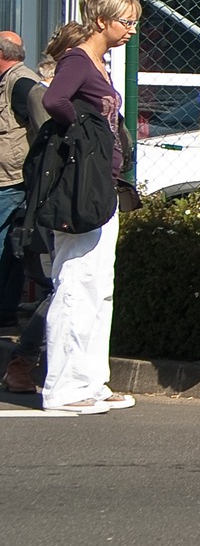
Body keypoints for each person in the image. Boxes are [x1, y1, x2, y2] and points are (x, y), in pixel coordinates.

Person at [37, 0, 140, 414]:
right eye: (126, 22)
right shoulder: (78, 59)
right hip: (82, 188)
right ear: (102, 21)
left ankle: (92, 381)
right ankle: (62, 388)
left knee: (100, 288)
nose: (131, 30)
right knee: (75, 286)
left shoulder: (97, 63)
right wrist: (84, 130)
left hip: (103, 187)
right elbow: (54, 98)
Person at [5, 26, 82, 395]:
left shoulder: (28, 83)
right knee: (62, 281)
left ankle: (38, 360)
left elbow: (47, 125)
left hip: (49, 188)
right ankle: (26, 357)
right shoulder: (46, 85)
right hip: (44, 190)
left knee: (69, 282)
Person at [0, 30, 43, 326]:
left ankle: (5, 309)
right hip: (9, 178)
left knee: (7, 246)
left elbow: (42, 122)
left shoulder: (21, 82)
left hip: (11, 180)